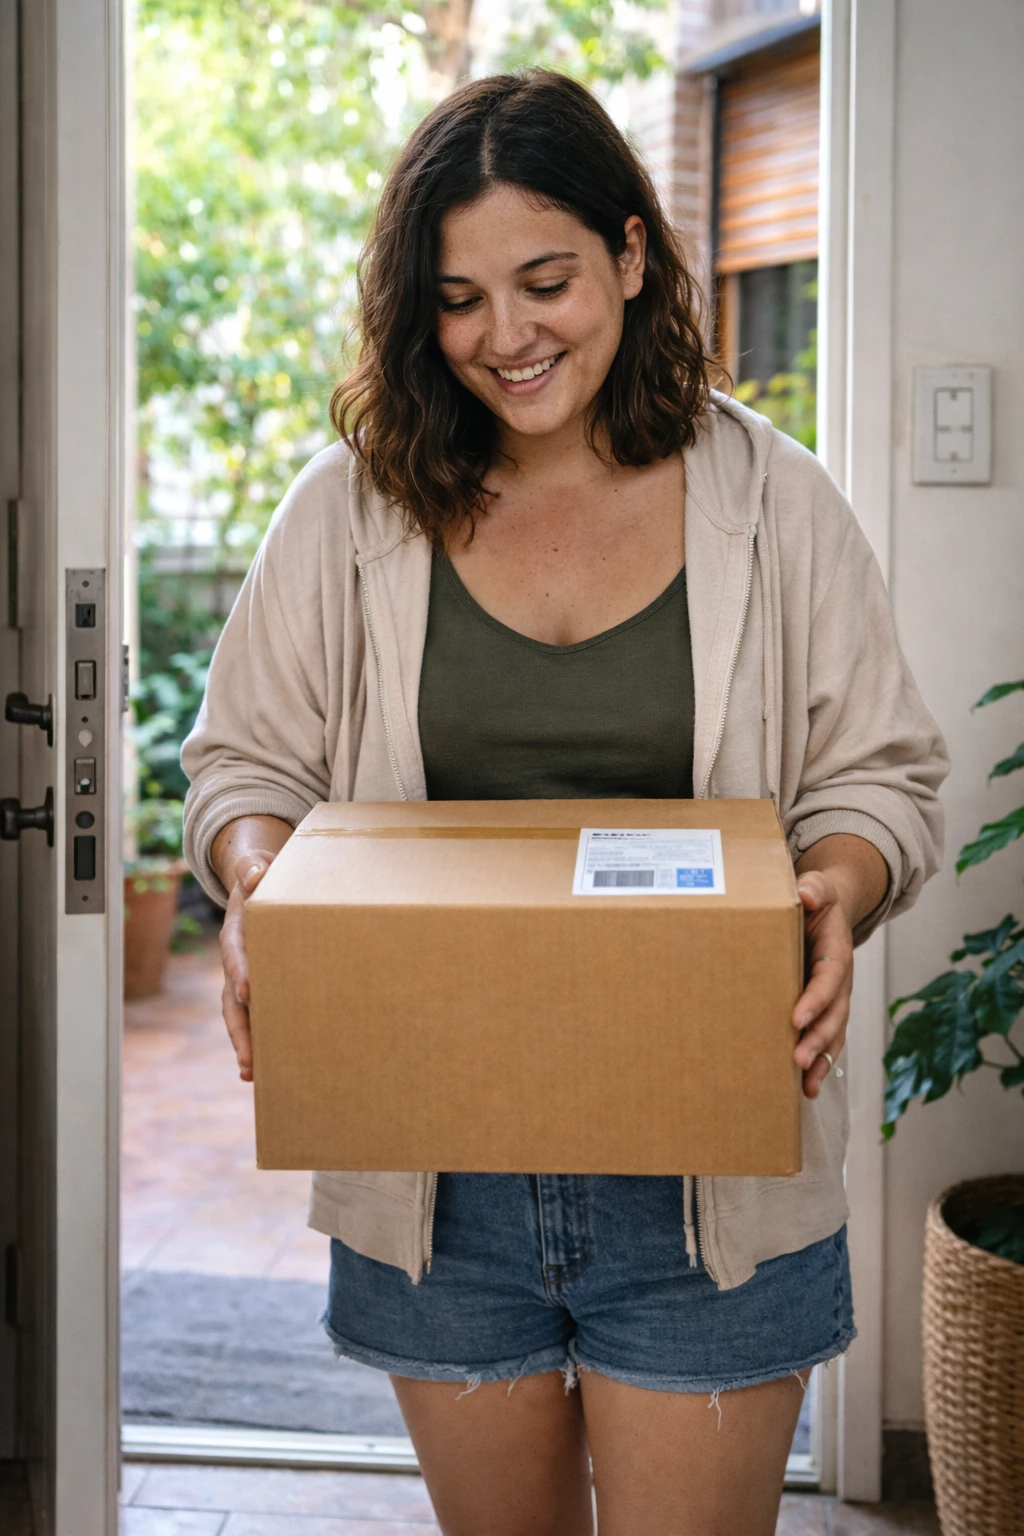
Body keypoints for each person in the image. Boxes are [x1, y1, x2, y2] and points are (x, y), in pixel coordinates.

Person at [183, 70, 947, 1536]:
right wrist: (260, 878)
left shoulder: (774, 505)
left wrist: (836, 890)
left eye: (546, 282)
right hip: (436, 1174)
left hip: (709, 1171)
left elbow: (877, 774)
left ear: (633, 256)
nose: (505, 337)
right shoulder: (350, 511)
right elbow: (246, 766)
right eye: (460, 298)